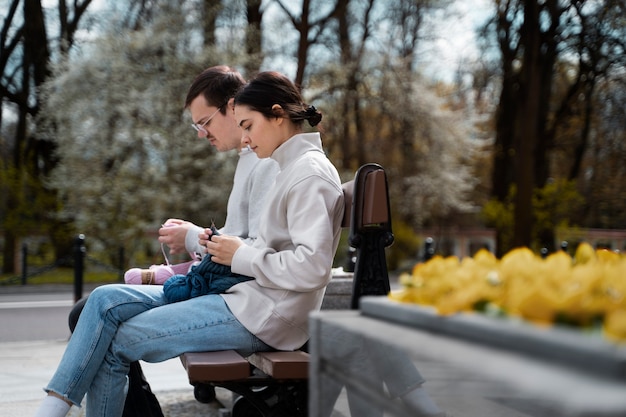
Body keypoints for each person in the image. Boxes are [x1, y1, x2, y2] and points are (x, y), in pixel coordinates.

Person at [35, 70, 344, 417]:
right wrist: (222, 249)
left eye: (248, 126)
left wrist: (237, 255)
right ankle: (53, 406)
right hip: (247, 300)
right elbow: (263, 244)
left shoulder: (307, 173)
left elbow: (313, 269)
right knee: (105, 302)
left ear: (276, 114)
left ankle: (51, 411)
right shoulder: (289, 166)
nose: (245, 138)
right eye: (241, 127)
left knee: (115, 343)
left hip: (265, 314)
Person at [61, 64, 279, 417]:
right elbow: (239, 242)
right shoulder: (250, 160)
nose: (200, 134)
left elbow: (250, 249)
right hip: (231, 295)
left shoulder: (266, 162)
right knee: (92, 310)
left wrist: (192, 237)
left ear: (233, 106)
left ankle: (61, 406)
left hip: (244, 305)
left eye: (204, 122)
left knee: (99, 324)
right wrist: (194, 238)